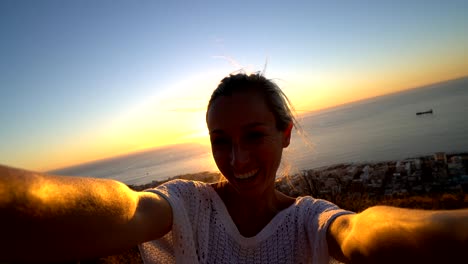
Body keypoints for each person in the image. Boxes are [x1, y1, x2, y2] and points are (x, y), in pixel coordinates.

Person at [0, 72, 467, 264]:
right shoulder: (188, 206)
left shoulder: (308, 220)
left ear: (284, 133)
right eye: (220, 142)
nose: (236, 159)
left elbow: (361, 232)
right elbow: (125, 211)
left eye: (255, 136)